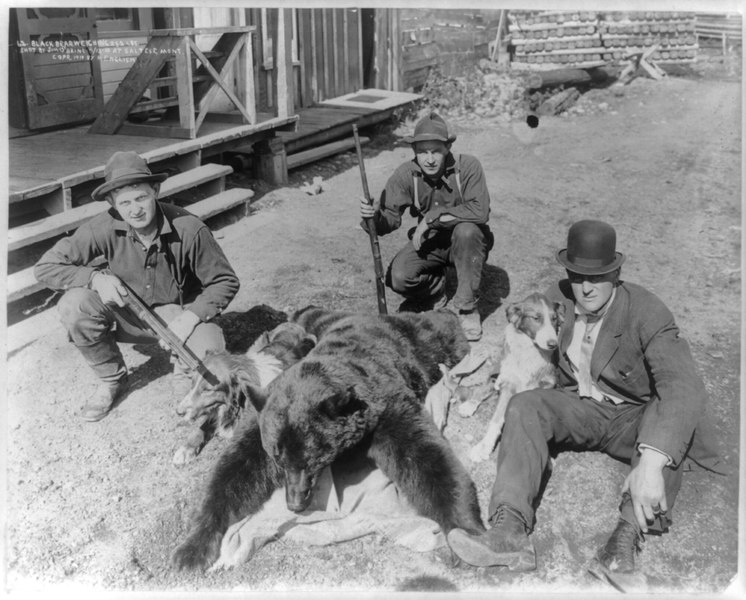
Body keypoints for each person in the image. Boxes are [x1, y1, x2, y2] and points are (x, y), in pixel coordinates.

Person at [446, 220, 722, 583]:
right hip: (582, 405)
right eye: (577, 275)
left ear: (617, 272)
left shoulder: (647, 311)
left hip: (632, 415)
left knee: (666, 437)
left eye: (598, 275)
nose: (586, 287)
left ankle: (621, 546)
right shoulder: (558, 297)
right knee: (525, 405)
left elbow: (682, 386)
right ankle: (508, 531)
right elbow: (528, 337)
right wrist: (497, 380)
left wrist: (652, 462)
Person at [34, 151, 240, 422]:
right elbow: (45, 267)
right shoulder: (100, 228)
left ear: (155, 191)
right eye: (125, 202)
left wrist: (190, 318)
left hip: (177, 317)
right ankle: (111, 381)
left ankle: (184, 373)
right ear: (111, 202)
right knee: (75, 305)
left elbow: (225, 281)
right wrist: (95, 278)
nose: (135, 209)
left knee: (211, 362)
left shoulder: (189, 228)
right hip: (126, 314)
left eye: (142, 197)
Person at [359, 112, 493, 341]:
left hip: (469, 242)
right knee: (399, 276)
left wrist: (432, 217)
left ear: (448, 148)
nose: (429, 160)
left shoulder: (468, 167)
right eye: (422, 152)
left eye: (436, 152)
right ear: (414, 152)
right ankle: (435, 290)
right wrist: (372, 217)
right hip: (431, 242)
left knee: (467, 231)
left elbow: (479, 212)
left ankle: (468, 308)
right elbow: (390, 218)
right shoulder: (405, 174)